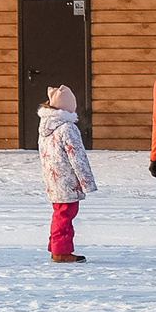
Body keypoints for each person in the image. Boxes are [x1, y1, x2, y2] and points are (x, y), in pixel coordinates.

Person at [41, 83, 96, 264]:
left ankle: (56, 246)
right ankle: (61, 252)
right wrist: (87, 182)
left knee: (60, 213)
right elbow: (78, 157)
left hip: (53, 178)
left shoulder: (46, 127)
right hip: (68, 181)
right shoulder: (68, 128)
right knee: (65, 214)